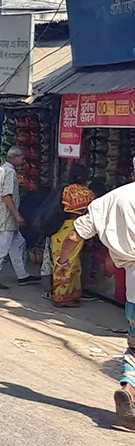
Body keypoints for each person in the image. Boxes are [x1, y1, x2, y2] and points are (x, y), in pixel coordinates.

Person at [53, 172, 135, 428]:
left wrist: (63, 261)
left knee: (134, 346)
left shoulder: (112, 199)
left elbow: (75, 236)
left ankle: (129, 387)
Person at [0, 146, 39, 290]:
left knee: (17, 244)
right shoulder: (9, 172)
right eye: (22, 158)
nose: (23, 161)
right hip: (5, 218)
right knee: (0, 249)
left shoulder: (0, 170)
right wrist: (17, 215)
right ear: (15, 157)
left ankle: (23, 276)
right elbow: (6, 195)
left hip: (0, 217)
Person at [49, 165, 95, 307]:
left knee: (61, 260)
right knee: (73, 263)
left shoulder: (65, 190)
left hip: (60, 227)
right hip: (78, 227)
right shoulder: (89, 193)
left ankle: (61, 293)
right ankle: (65, 296)